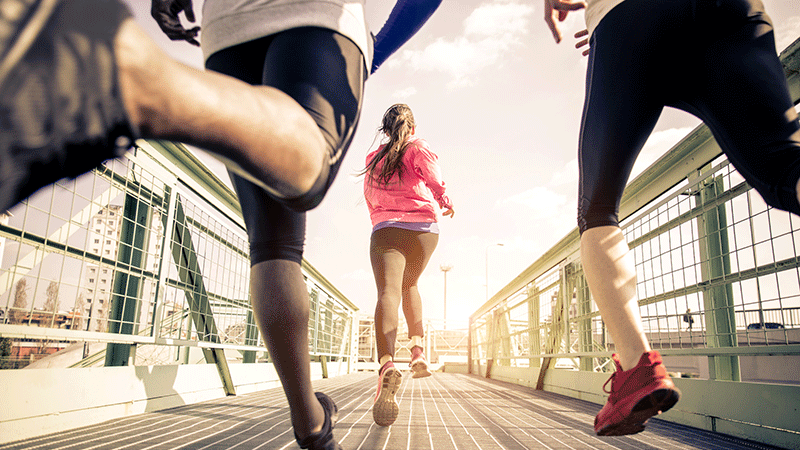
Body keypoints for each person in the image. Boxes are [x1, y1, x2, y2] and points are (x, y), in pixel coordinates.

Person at [2, 0, 441, 449]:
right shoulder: (417, 148)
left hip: (227, 26)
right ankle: (131, 74)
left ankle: (311, 423)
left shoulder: (377, 160)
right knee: (307, 170)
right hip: (318, 19)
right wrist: (375, 50)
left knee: (274, 245)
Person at [544, 0, 800, 437]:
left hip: (628, 18)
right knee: (783, 170)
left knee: (599, 208)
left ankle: (636, 367)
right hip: (729, 11)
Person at [362, 103, 454, 427]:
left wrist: (383, 220)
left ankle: (387, 365)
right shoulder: (418, 147)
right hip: (424, 232)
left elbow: (371, 198)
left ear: (385, 131)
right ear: (411, 127)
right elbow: (434, 177)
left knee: (389, 291)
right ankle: (417, 352)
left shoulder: (373, 159)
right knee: (410, 285)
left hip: (386, 229)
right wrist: (445, 201)